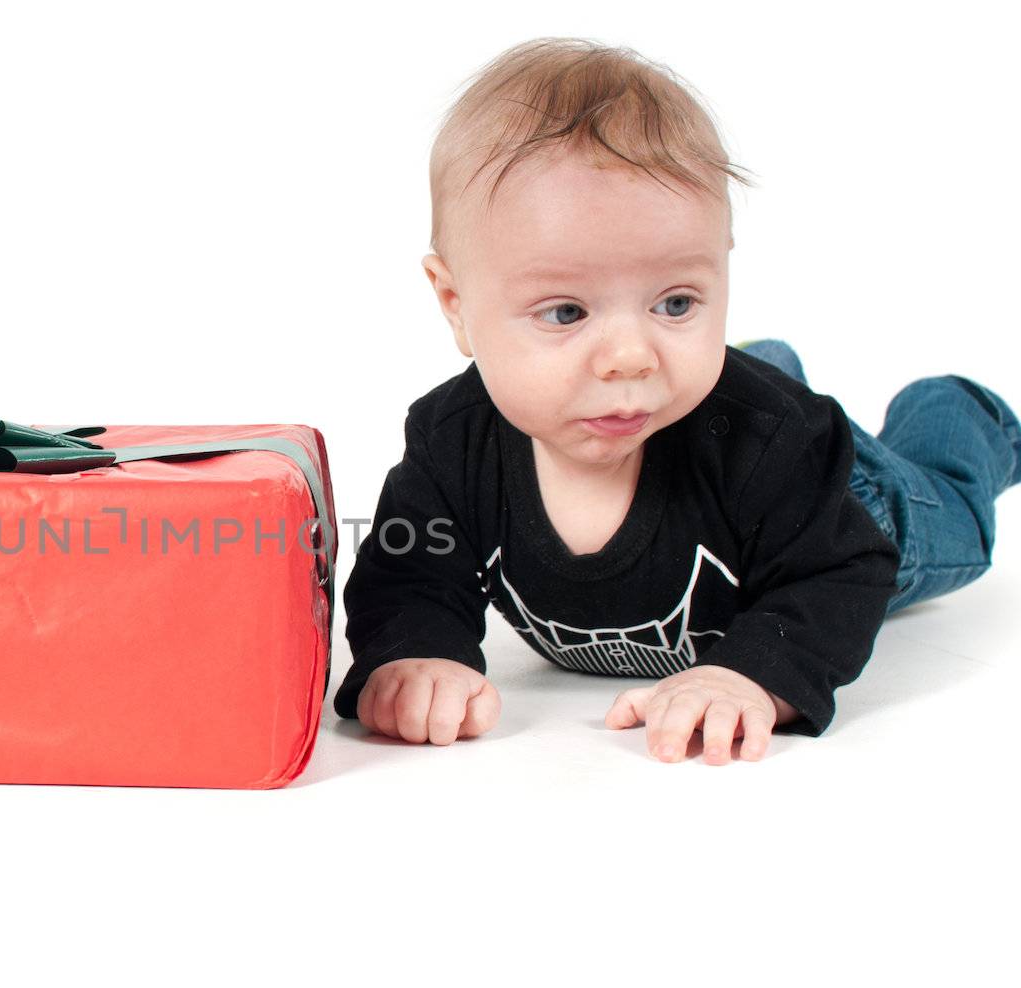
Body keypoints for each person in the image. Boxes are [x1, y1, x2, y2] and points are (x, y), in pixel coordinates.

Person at [332, 37, 1021, 763]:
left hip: (843, 504)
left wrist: (750, 672)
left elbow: (838, 572)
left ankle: (957, 413)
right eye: (566, 313)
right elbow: (410, 569)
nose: (631, 355)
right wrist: (416, 652)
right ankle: (763, 363)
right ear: (455, 305)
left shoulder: (769, 444)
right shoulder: (453, 440)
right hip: (725, 417)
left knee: (958, 518)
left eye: (676, 302)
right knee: (733, 388)